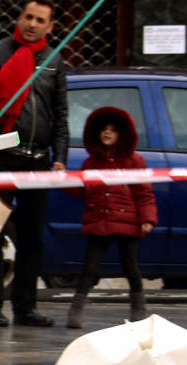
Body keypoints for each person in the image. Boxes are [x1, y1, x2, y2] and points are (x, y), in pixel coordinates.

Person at [0, 0, 68, 328]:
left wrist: (60, 158)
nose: (33, 24)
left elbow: (61, 115)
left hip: (38, 161)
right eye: (28, 17)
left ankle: (25, 307)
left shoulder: (55, 60)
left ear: (50, 26)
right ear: (19, 18)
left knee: (31, 237)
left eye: (40, 20)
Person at [64, 106, 156, 329]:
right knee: (90, 268)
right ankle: (76, 311)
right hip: (100, 221)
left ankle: (139, 309)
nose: (107, 133)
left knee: (130, 266)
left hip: (128, 222)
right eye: (103, 129)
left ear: (121, 134)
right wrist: (63, 180)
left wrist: (147, 219)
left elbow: (144, 192)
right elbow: (81, 190)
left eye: (113, 130)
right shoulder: (90, 163)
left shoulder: (135, 162)